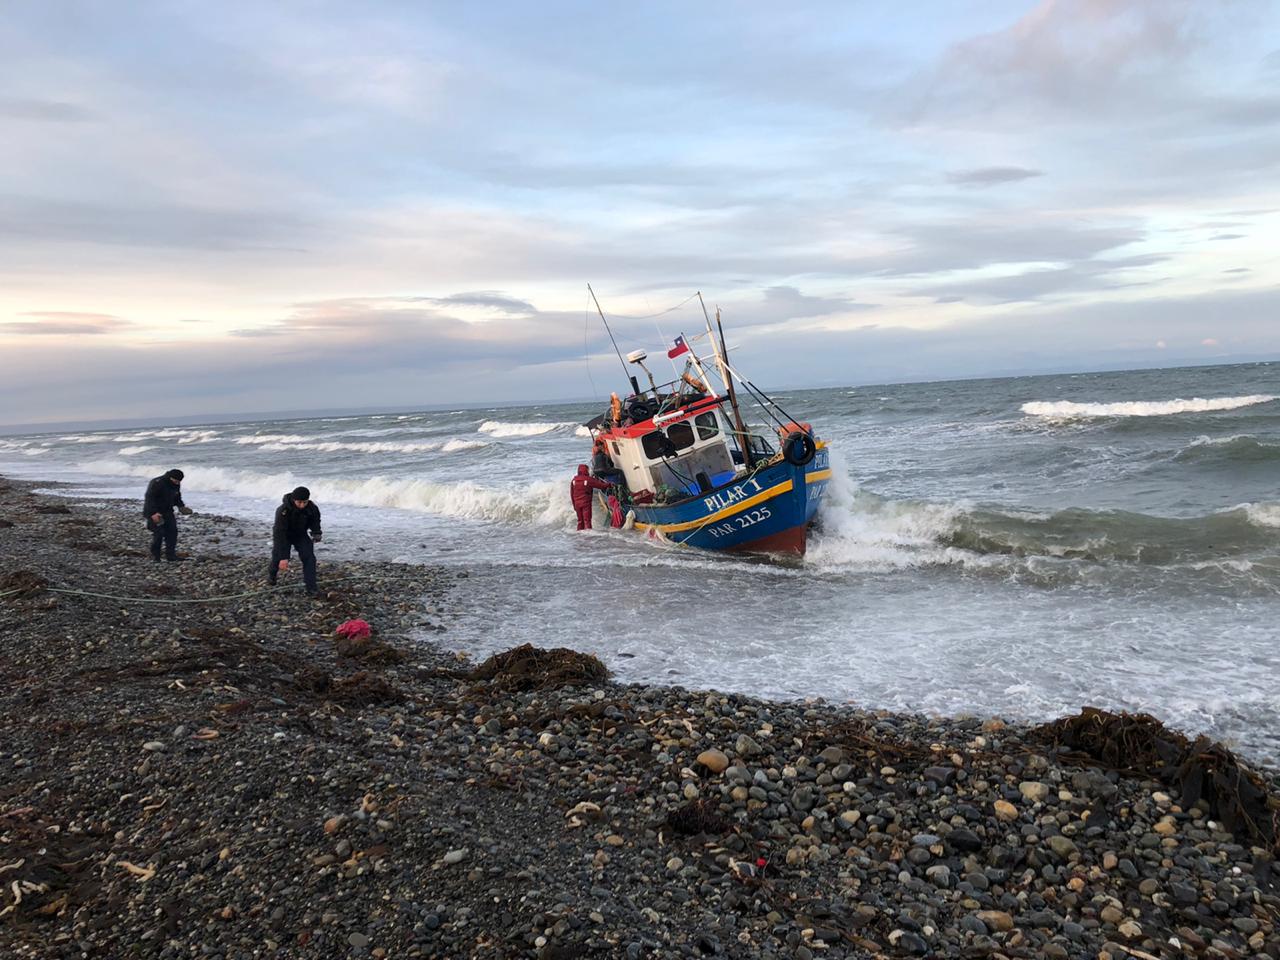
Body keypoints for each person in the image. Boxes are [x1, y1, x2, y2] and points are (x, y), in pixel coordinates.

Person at [269, 486, 323, 596]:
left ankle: (311, 587)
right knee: (277, 557)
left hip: (300, 535)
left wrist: (316, 533)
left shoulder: (312, 508)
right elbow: (279, 534)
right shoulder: (283, 510)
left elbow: (315, 522)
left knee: (309, 558)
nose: (302, 505)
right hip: (284, 535)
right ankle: (272, 576)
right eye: (299, 502)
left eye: (305, 502)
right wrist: (284, 557)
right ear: (294, 500)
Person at [143, 468, 192, 561]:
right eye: (176, 481)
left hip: (168, 511)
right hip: (154, 512)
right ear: (171, 477)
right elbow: (149, 499)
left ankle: (171, 555)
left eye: (179, 481)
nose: (178, 483)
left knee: (172, 532)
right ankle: (155, 556)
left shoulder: (176, 484)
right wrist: (153, 513)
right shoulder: (157, 483)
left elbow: (177, 496)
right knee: (159, 533)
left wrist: (181, 506)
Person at [570, 464, 611, 531]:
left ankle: (578, 535)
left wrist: (574, 505)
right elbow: (601, 485)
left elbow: (572, 494)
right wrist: (609, 484)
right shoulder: (588, 480)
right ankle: (588, 536)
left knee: (580, 521)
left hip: (577, 504)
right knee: (587, 521)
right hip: (586, 503)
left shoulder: (574, 480)